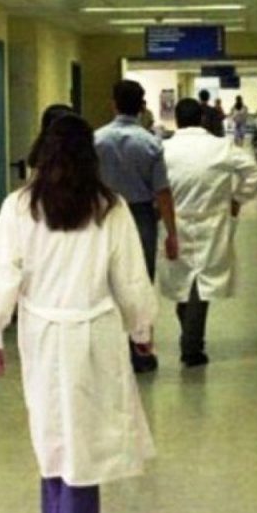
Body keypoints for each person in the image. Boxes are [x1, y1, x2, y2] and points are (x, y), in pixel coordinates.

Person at [0, 115, 157, 513]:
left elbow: (2, 274)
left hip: (42, 334)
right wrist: (141, 328)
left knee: (51, 430)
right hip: (94, 333)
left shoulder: (20, 207)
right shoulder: (109, 207)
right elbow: (131, 278)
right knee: (84, 440)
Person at [158, 98, 257, 366]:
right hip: (212, 223)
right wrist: (237, 199)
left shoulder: (164, 149)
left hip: (175, 222)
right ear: (202, 119)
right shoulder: (221, 147)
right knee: (200, 284)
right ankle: (192, 345)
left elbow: (154, 184)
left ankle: (191, 341)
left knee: (184, 283)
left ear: (177, 120)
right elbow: (252, 171)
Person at [94, 79, 179, 373]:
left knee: (105, 281)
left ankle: (109, 353)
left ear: (113, 104)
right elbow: (162, 192)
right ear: (142, 107)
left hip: (103, 214)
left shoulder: (96, 140)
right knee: (139, 281)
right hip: (141, 216)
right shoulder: (151, 144)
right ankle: (140, 351)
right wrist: (172, 233)